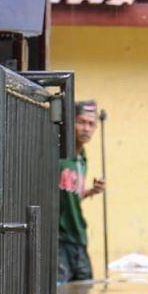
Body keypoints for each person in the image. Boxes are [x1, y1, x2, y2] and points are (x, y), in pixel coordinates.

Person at [57, 100, 105, 283]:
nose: (86, 129)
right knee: (61, 291)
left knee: (84, 289)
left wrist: (91, 191)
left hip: (78, 237)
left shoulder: (82, 159)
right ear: (71, 123)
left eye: (91, 124)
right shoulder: (59, 155)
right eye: (82, 122)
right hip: (59, 240)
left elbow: (71, 195)